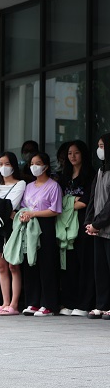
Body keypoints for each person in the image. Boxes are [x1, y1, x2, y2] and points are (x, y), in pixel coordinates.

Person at [19, 151, 62, 316]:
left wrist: (34, 214)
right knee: (31, 263)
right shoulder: (29, 186)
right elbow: (24, 205)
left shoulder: (53, 186)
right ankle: (33, 302)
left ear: (45, 166)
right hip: (30, 227)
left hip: (46, 226)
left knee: (47, 265)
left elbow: (55, 210)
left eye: (37, 163)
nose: (34, 167)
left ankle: (48, 304)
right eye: (31, 164)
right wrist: (24, 214)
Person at [0, 152, 26, 315]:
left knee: (13, 265)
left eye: (7, 164)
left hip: (11, 227)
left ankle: (14, 304)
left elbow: (12, 205)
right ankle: (5, 302)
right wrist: (2, 208)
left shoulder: (20, 183)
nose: (3, 167)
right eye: (1, 164)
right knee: (1, 267)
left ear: (14, 165)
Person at [59, 140, 94, 316]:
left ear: (83, 154)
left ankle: (85, 303)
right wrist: (71, 202)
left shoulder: (91, 175)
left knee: (84, 262)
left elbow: (85, 202)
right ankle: (70, 302)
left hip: (82, 222)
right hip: (65, 224)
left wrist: (68, 203)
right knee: (69, 263)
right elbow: (60, 201)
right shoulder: (64, 176)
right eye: (70, 153)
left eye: (76, 153)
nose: (72, 156)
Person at [85, 134, 110, 319]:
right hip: (98, 231)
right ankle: (102, 305)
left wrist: (97, 223)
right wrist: (89, 223)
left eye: (102, 145)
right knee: (100, 269)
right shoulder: (100, 171)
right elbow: (93, 199)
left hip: (106, 229)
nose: (99, 149)